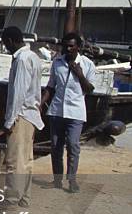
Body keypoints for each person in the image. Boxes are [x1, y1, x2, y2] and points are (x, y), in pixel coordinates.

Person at [41, 32, 95, 193]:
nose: (68, 48)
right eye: (66, 45)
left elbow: (90, 89)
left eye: (72, 46)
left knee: (72, 145)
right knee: (56, 147)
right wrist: (41, 103)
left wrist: (79, 74)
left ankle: (72, 180)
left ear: (78, 47)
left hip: (75, 113)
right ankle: (57, 180)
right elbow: (51, 86)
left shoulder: (87, 64)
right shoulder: (57, 63)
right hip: (57, 111)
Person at [0, 26, 44, 207]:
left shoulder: (22, 60)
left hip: (21, 115)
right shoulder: (34, 57)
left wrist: (8, 123)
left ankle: (11, 198)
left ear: (10, 41)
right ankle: (24, 197)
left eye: (5, 44)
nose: (6, 48)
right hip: (31, 115)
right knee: (26, 160)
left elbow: (18, 93)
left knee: (15, 160)